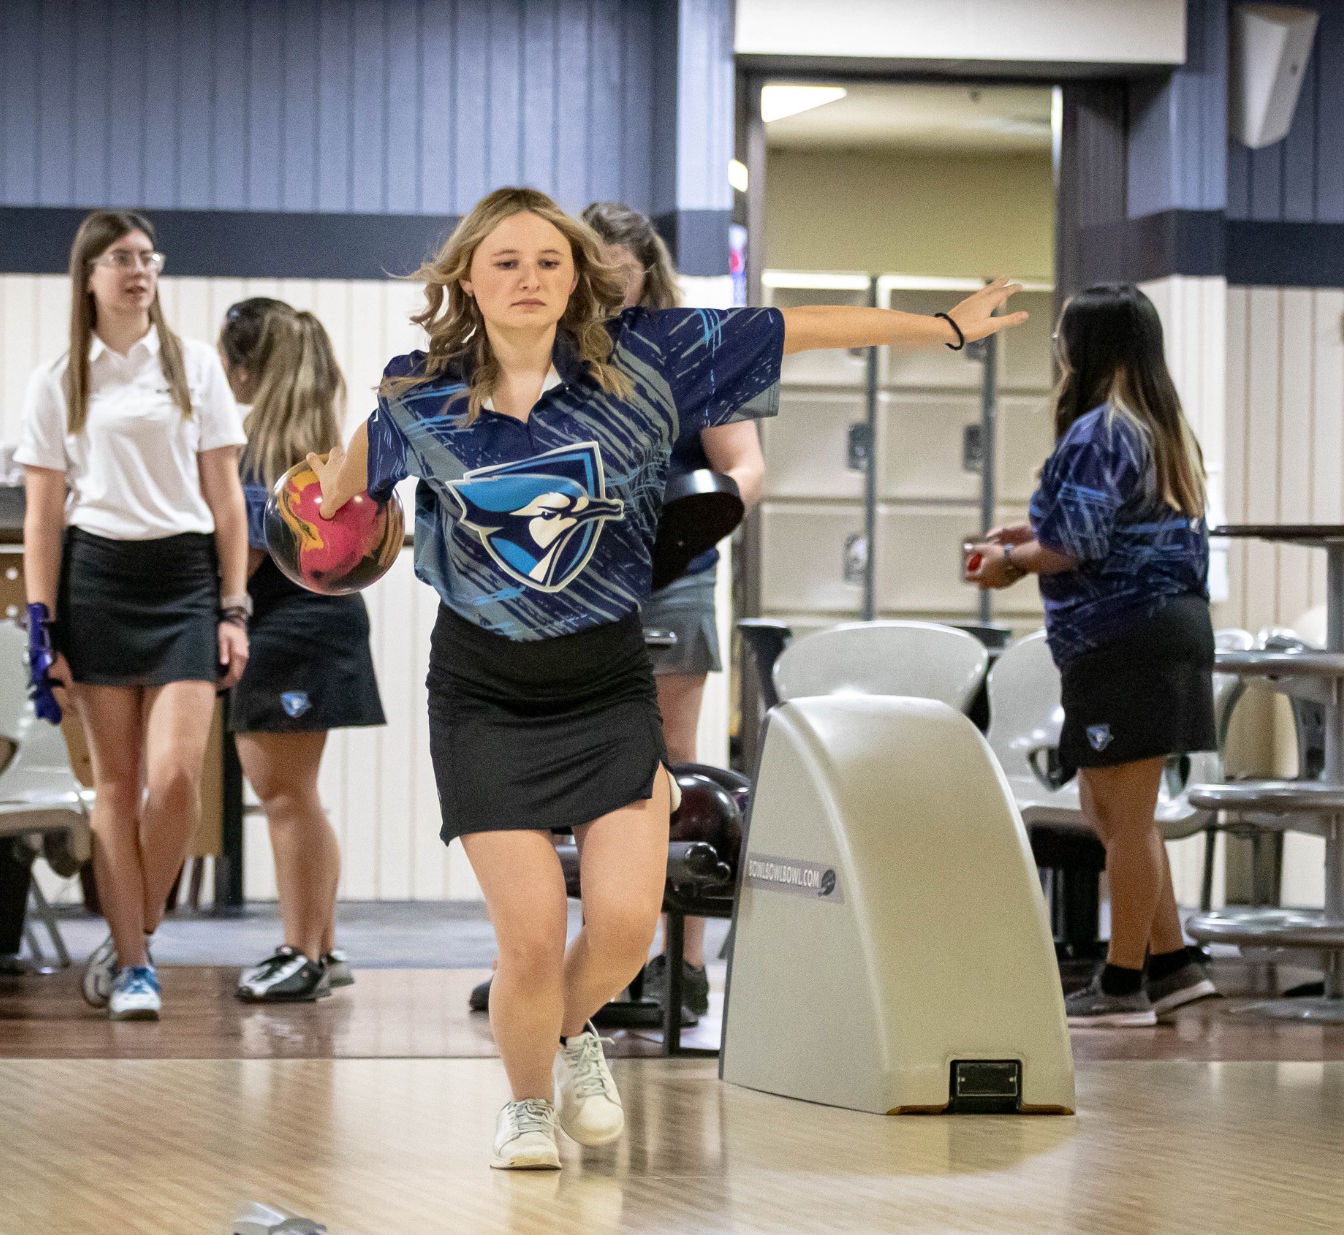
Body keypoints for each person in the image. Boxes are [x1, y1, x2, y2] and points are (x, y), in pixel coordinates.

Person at [310, 185, 1024, 1168]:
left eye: (548, 261)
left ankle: (564, 1035)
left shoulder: (645, 358)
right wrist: (310, 527)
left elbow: (797, 328)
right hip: (480, 691)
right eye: (505, 261)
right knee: (525, 938)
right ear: (466, 277)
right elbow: (332, 502)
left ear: (578, 277)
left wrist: (936, 325)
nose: (527, 279)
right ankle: (523, 1106)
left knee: (622, 929)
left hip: (605, 680)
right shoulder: (413, 392)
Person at [17, 210, 252, 1022]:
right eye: (121, 258)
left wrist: (234, 607)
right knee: (114, 786)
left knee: (179, 776)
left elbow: (227, 501)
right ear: (89, 276)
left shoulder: (194, 368)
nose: (138, 271)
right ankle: (137, 965)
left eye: (148, 258)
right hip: (98, 580)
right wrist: (39, 625)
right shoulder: (59, 378)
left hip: (184, 579)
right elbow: (43, 516)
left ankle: (133, 932)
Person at [967, 282, 1218, 1028]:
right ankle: (1173, 966)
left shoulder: (1105, 429)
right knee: (1109, 809)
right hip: (1146, 634)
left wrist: (1010, 562)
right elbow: (1093, 522)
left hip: (1128, 636)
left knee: (1126, 816)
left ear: (1090, 345)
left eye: (1065, 334)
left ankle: (1121, 984)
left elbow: (1077, 545)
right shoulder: (1153, 425)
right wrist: (1023, 536)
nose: (1057, 347)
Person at [585, 199, 764, 1020]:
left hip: (673, 575)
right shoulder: (565, 350)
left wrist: (689, 520)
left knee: (672, 771)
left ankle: (682, 965)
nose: (603, 293)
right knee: (588, 770)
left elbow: (744, 469)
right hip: (584, 581)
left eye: (615, 278)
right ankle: (594, 967)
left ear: (647, 270)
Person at [218, 298, 386, 1002]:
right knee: (300, 796)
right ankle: (319, 946)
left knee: (285, 796)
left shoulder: (264, 452)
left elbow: (252, 555)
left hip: (292, 633)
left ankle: (302, 950)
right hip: (326, 627)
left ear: (247, 369)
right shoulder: (324, 445)